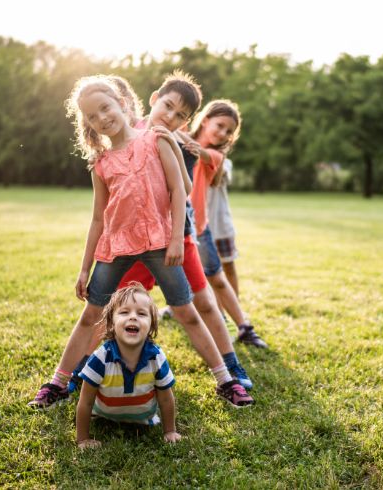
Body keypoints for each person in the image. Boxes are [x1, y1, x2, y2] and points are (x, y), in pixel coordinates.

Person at [28, 75, 253, 410]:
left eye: (105, 108)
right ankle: (59, 383)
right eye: (92, 116)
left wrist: (177, 238)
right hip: (115, 249)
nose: (102, 117)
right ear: (87, 125)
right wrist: (83, 268)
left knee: (187, 312)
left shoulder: (157, 139)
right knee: (92, 315)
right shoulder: (100, 163)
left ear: (122, 103)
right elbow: (97, 220)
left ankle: (227, 380)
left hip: (161, 244)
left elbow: (180, 190)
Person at [116, 73, 257, 388]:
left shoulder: (180, 144)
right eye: (167, 106)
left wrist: (178, 143)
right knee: (122, 304)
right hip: (135, 238)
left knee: (201, 303)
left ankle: (231, 369)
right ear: (154, 99)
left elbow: (185, 189)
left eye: (181, 116)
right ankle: (102, 371)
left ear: (189, 121)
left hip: (177, 235)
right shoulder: (128, 133)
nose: (170, 117)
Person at [186, 100, 268, 349]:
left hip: (198, 226)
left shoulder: (216, 156)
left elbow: (200, 153)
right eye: (220, 125)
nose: (222, 133)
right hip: (171, 227)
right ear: (206, 118)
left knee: (217, 278)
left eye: (228, 131)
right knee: (189, 283)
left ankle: (244, 327)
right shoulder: (179, 139)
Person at [76, 284, 180, 449]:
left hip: (145, 420)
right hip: (104, 415)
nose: (133, 317)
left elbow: (166, 399)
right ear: (111, 323)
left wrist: (169, 431)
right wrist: (83, 439)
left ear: (152, 325)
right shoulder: (100, 358)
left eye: (142, 313)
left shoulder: (156, 357)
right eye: (124, 312)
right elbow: (86, 401)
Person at [207, 157, 239, 295]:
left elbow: (216, 178)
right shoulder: (190, 156)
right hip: (197, 227)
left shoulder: (225, 162)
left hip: (221, 227)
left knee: (228, 266)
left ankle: (235, 304)